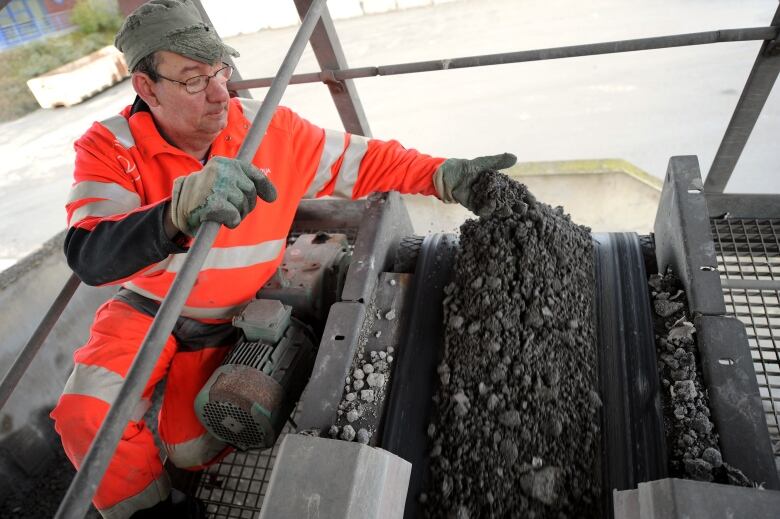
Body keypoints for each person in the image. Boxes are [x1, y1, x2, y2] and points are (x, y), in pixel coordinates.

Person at [50, 0, 516, 517]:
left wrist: (447, 176)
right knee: (86, 415)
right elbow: (90, 255)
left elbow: (365, 161)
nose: (218, 93)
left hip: (230, 317)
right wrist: (174, 213)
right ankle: (150, 513)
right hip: (149, 308)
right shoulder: (109, 148)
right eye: (191, 80)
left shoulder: (269, 130)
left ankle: (184, 443)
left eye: (219, 70)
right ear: (146, 86)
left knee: (192, 447)